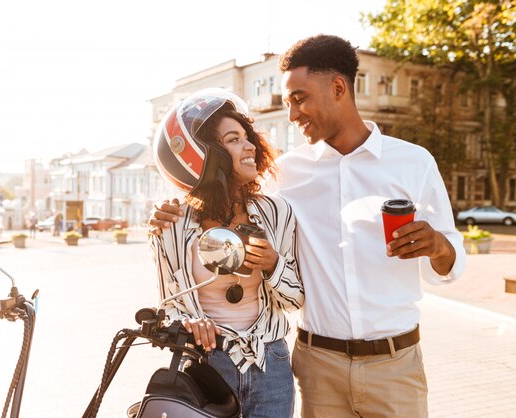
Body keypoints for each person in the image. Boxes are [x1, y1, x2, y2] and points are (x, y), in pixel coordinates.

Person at [150, 35, 466, 418]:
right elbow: (221, 193)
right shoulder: (285, 175)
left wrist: (439, 248)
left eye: (299, 99)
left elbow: (450, 259)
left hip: (395, 365)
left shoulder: (413, 162)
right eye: (287, 103)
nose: (292, 115)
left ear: (338, 88)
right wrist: (169, 211)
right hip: (318, 367)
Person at [150, 88, 304, 418]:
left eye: (248, 137)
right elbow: (169, 306)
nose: (250, 145)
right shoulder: (171, 225)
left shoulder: (277, 212)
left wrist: (272, 264)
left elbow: (295, 300)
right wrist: (190, 321)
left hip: (271, 363)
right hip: (207, 365)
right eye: (234, 140)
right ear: (205, 153)